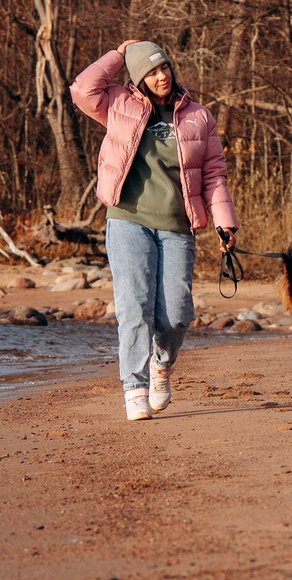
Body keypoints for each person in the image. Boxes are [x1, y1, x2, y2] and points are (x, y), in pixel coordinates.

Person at [70, 40, 237, 421]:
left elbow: (213, 173)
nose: (161, 77)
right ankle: (134, 387)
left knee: (176, 314)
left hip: (177, 224)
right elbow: (82, 89)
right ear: (137, 78)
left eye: (164, 68)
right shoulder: (117, 104)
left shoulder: (198, 116)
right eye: (150, 72)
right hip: (127, 218)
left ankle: (162, 365)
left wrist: (225, 221)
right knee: (134, 307)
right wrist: (117, 53)